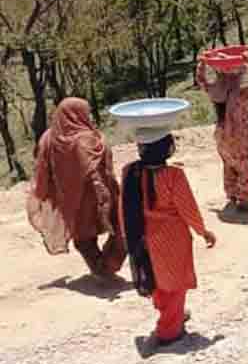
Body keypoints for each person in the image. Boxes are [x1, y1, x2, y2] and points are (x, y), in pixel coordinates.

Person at [121, 133, 216, 348]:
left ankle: (172, 314)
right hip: (172, 237)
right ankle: (169, 330)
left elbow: (122, 207)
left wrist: (128, 236)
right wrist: (203, 231)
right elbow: (187, 207)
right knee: (175, 282)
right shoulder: (174, 175)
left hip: (142, 236)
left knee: (155, 277)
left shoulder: (130, 171)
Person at [26, 97, 126, 278]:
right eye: (87, 112)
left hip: (70, 199)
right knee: (119, 228)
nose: (89, 116)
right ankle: (108, 265)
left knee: (84, 238)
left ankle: (100, 268)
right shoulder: (88, 138)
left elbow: (42, 168)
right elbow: (100, 168)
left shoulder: (48, 138)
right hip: (99, 193)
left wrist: (43, 192)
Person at [196, 49, 248, 211]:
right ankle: (245, 200)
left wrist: (202, 63)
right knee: (246, 166)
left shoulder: (215, 92)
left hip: (222, 136)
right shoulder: (243, 94)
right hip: (241, 136)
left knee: (229, 164)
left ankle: (232, 194)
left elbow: (200, 80)